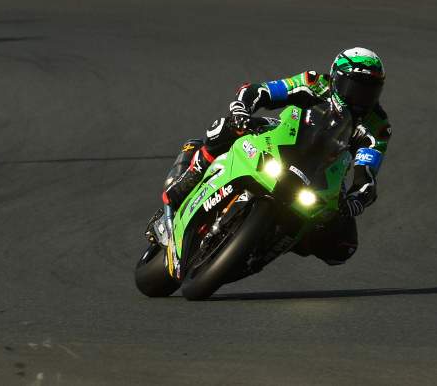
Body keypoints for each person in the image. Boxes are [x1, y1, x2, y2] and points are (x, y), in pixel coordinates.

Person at [157, 47, 391, 266]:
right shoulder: (315, 83)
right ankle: (190, 177)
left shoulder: (378, 126)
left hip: (327, 168)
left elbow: (367, 173)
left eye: (369, 91)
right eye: (354, 87)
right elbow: (260, 91)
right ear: (336, 79)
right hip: (285, 135)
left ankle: (278, 239)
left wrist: (357, 200)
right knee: (225, 128)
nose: (360, 98)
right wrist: (241, 110)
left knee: (342, 247)